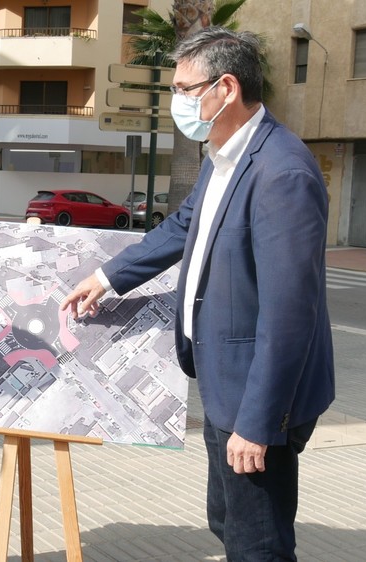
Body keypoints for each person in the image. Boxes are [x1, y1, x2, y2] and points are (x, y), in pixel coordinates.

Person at [61, 27, 335, 560]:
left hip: (259, 397)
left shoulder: (282, 173)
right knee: (226, 520)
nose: (177, 103)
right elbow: (184, 226)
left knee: (257, 543)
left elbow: (289, 316)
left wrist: (257, 425)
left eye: (186, 89)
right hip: (220, 376)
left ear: (226, 88)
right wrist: (108, 277)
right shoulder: (226, 155)